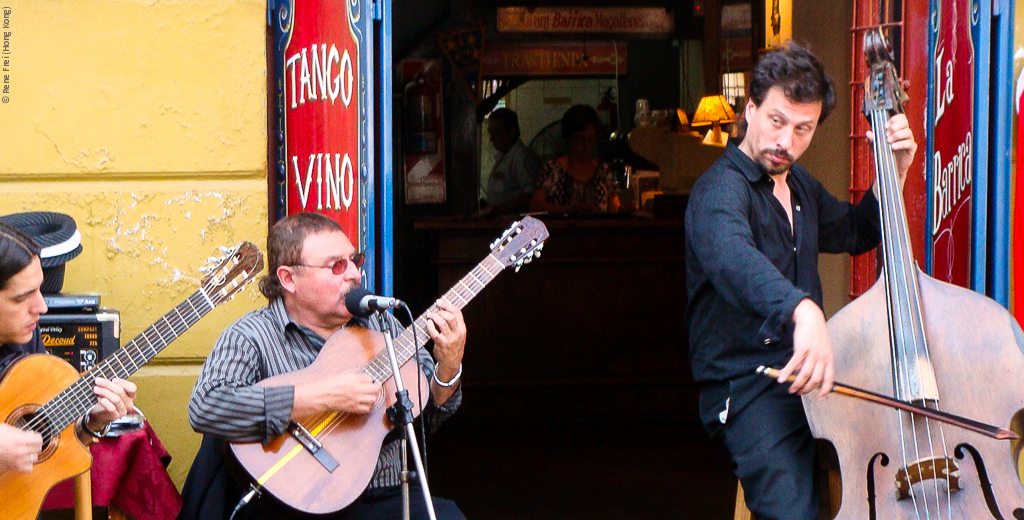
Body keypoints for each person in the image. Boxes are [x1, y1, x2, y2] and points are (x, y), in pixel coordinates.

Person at [684, 42, 917, 519]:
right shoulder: (718, 192)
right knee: (794, 510)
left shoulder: (800, 185)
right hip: (749, 384)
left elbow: (855, 231)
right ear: (750, 109)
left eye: (802, 128)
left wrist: (895, 170)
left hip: (809, 377)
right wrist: (802, 309)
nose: (785, 141)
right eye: (776, 120)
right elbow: (733, 260)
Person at [180, 212, 467, 520]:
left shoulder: (385, 326)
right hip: (294, 503)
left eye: (355, 260)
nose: (355, 274)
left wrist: (449, 366)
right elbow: (206, 407)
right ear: (289, 278)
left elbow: (426, 420)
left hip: (385, 496)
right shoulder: (249, 335)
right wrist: (321, 397)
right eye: (336, 266)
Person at [0, 222, 137, 474]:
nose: (41, 308)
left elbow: (46, 447)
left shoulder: (26, 337)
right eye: (22, 297)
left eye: (39, 290)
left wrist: (92, 421)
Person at [529, 104, 621, 214]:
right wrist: (568, 210)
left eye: (591, 139)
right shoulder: (553, 170)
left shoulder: (603, 172)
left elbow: (614, 208)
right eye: (580, 139)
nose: (586, 145)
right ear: (569, 138)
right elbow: (535, 205)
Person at [481, 108, 542, 215]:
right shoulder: (503, 158)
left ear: (512, 131)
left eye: (497, 132)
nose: (492, 139)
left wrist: (498, 210)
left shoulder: (522, 157)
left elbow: (530, 195)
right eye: (491, 133)